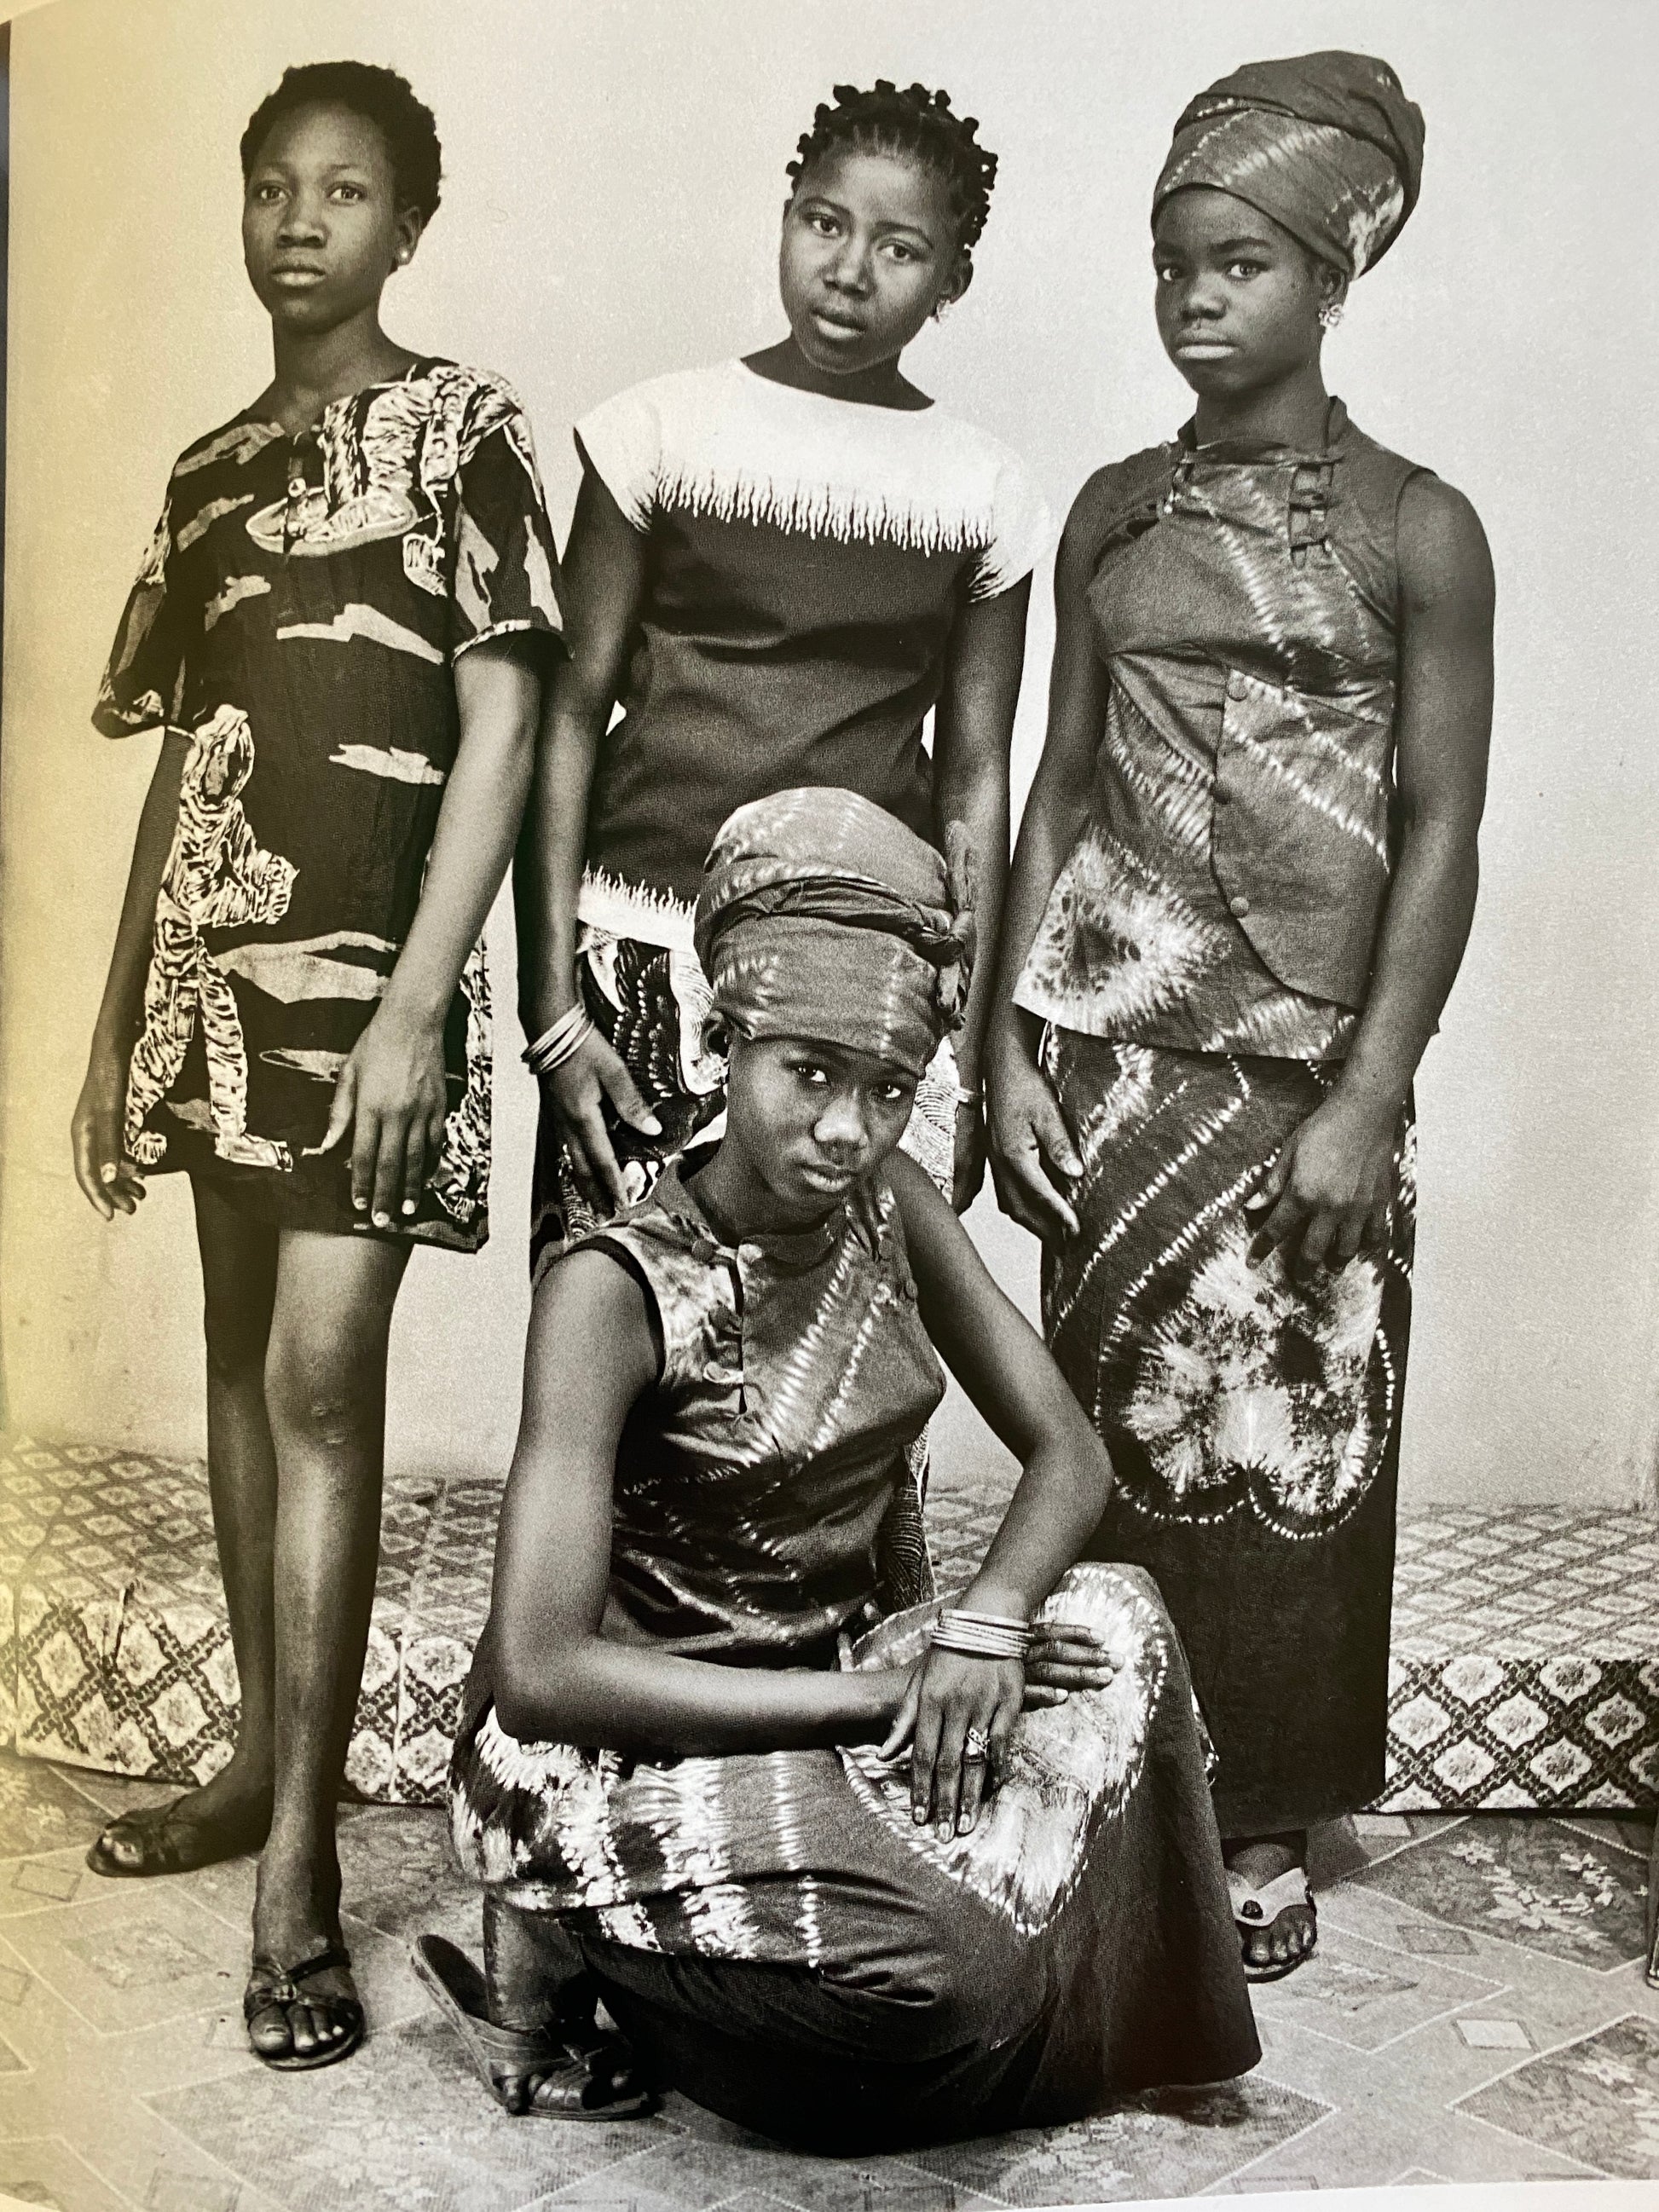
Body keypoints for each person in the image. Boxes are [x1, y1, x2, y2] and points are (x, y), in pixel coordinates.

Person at [417, 788, 1258, 2150]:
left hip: (824, 1690)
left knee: (1120, 1626)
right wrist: (882, 1701)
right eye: (808, 1072)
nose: (846, 1129)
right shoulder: (610, 1290)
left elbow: (1068, 1452)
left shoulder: (890, 1206)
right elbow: (541, 1672)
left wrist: (983, 1628)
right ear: (720, 1041)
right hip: (619, 1753)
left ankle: (1073, 2018)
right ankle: (574, 1954)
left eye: (887, 1089)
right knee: (949, 1959)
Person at [70, 62, 560, 2068]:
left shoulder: (467, 436)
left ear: (406, 226)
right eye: (272, 186)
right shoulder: (206, 474)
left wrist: (420, 1004)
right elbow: (186, 763)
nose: (298, 220)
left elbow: (508, 725)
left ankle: (299, 1872)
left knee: (320, 1375)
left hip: (378, 992)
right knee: (233, 1357)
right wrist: (115, 1019)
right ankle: (257, 1764)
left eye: (343, 191)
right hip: (214, 981)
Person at [986, 51, 1494, 1984]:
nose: (1195, 299)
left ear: (1331, 275)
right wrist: (1004, 1047)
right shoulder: (1113, 515)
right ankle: (1113, 1771)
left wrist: (1369, 1093)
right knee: (1109, 1418)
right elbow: (1054, 796)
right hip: (1111, 1055)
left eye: (1240, 264)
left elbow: (1439, 829)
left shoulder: (1415, 526)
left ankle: (1264, 1804)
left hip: (1309, 1073)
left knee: (1291, 1433)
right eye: (1171, 264)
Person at [516, 79, 1051, 1279]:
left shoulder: (982, 489)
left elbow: (975, 775)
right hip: (641, 951)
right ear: (785, 218)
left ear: (954, 279)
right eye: (824, 223)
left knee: (832, 1349)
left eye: (900, 248)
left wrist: (962, 1056)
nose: (849, 271)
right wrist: (551, 1008)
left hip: (865, 975)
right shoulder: (656, 431)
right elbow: (568, 712)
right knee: (621, 1316)